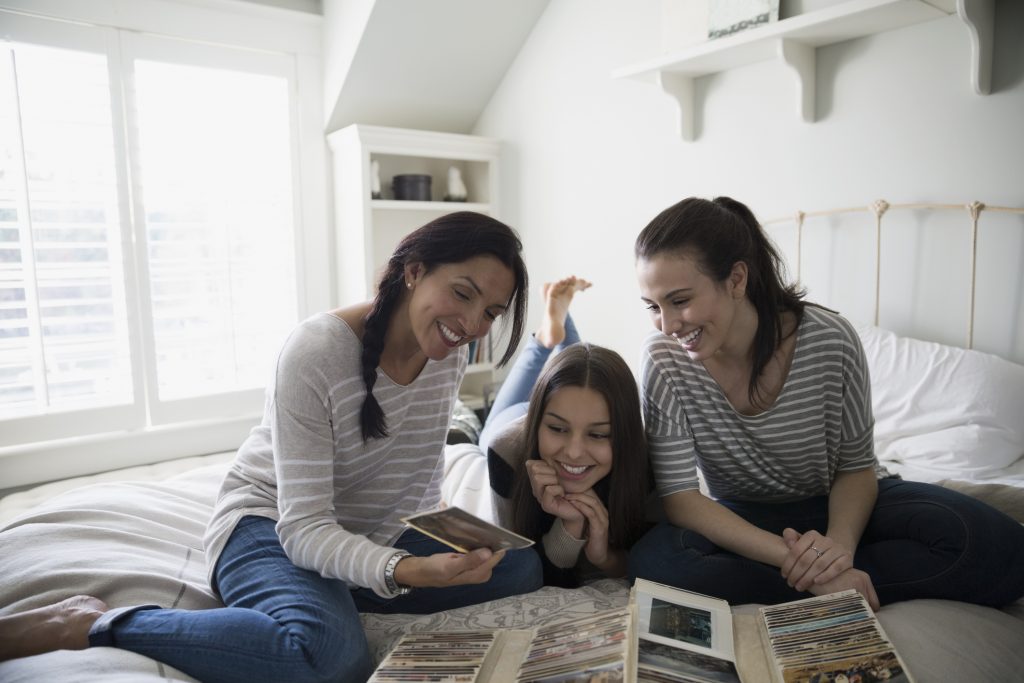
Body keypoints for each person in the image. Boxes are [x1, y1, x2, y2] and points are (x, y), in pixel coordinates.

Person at [0, 211, 543, 682]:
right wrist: (400, 570)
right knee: (328, 660)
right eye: (463, 294)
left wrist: (440, 540)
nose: (472, 325)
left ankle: (342, 589)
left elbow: (419, 481)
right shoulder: (318, 350)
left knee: (521, 569)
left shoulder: (448, 352)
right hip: (272, 525)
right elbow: (304, 527)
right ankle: (91, 624)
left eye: (492, 313)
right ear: (414, 270)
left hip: (366, 531)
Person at [628, 195, 1024, 610]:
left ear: (737, 279)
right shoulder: (663, 359)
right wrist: (812, 567)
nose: (669, 325)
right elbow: (682, 499)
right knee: (655, 561)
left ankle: (819, 583)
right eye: (653, 307)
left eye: (680, 301)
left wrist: (837, 548)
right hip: (747, 520)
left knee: (997, 544)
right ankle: (837, 588)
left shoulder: (831, 339)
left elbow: (856, 469)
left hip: (843, 505)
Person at [484, 277, 650, 586]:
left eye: (599, 435)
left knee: (581, 373)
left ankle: (553, 330)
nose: (574, 452)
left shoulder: (647, 457)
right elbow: (523, 575)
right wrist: (570, 526)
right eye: (558, 429)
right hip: (511, 423)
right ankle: (549, 335)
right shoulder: (505, 451)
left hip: (551, 411)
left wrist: (603, 556)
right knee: (485, 432)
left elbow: (644, 562)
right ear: (540, 421)